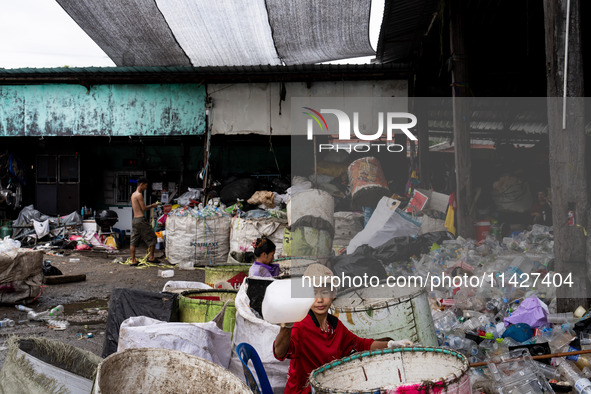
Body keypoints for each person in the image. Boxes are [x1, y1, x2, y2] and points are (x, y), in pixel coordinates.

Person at [273, 264, 411, 393]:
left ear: (333, 294)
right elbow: (280, 353)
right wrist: (286, 327)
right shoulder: (300, 325)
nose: (320, 299)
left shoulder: (335, 325)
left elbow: (361, 344)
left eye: (325, 292)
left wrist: (391, 344)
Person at [130, 178, 159, 266]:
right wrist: (152, 205)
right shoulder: (139, 195)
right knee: (153, 237)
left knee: (133, 241)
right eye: (145, 186)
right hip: (140, 220)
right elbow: (144, 208)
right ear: (141, 184)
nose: (146, 188)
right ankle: (151, 257)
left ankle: (133, 260)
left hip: (134, 220)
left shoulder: (133, 194)